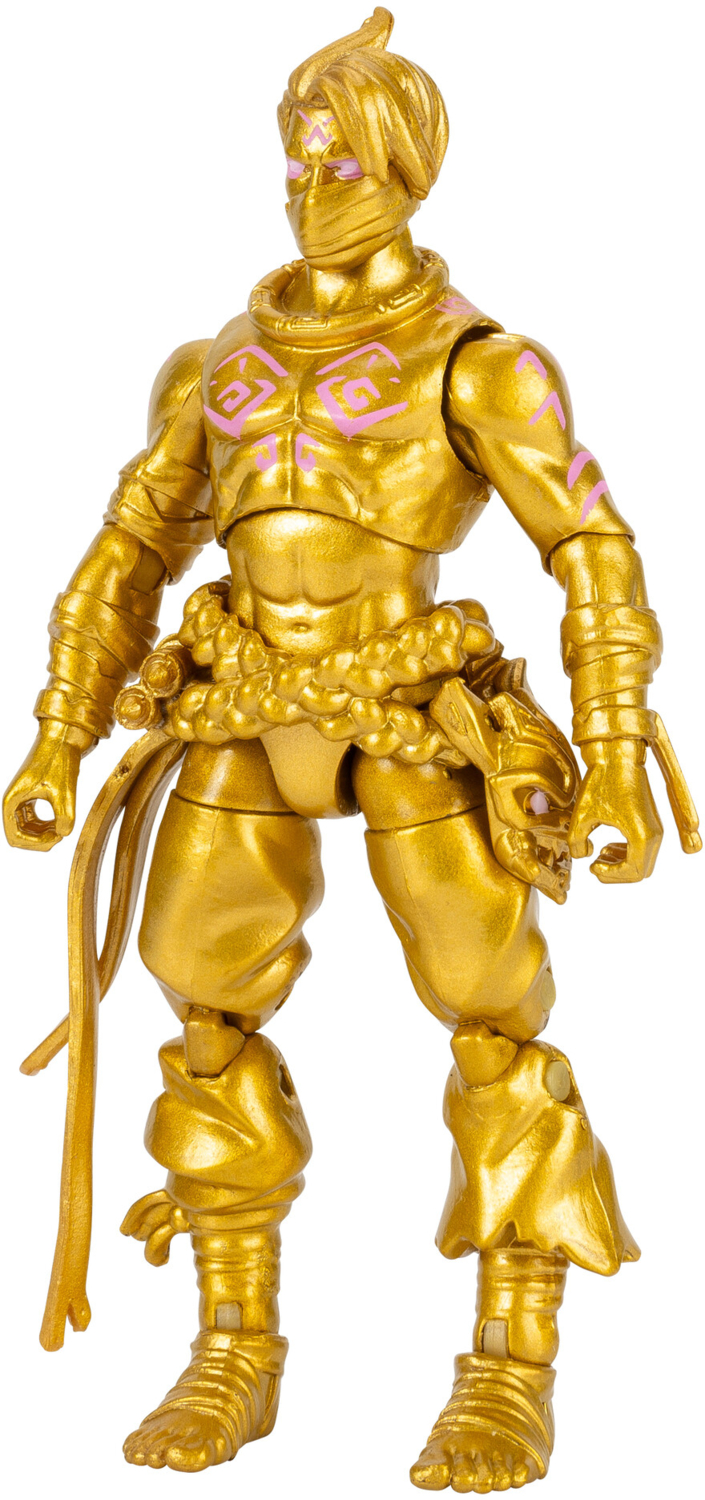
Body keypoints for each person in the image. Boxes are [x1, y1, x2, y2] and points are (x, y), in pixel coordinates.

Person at [3, 9, 699, 1490]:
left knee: (490, 1005)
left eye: (341, 162)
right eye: (294, 161)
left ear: (407, 169)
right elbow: (129, 549)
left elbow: (591, 547)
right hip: (240, 707)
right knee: (198, 991)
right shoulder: (214, 365)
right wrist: (58, 734)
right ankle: (234, 1348)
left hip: (414, 715)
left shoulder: (482, 365)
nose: (310, 189)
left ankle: (509, 1367)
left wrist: (616, 750)